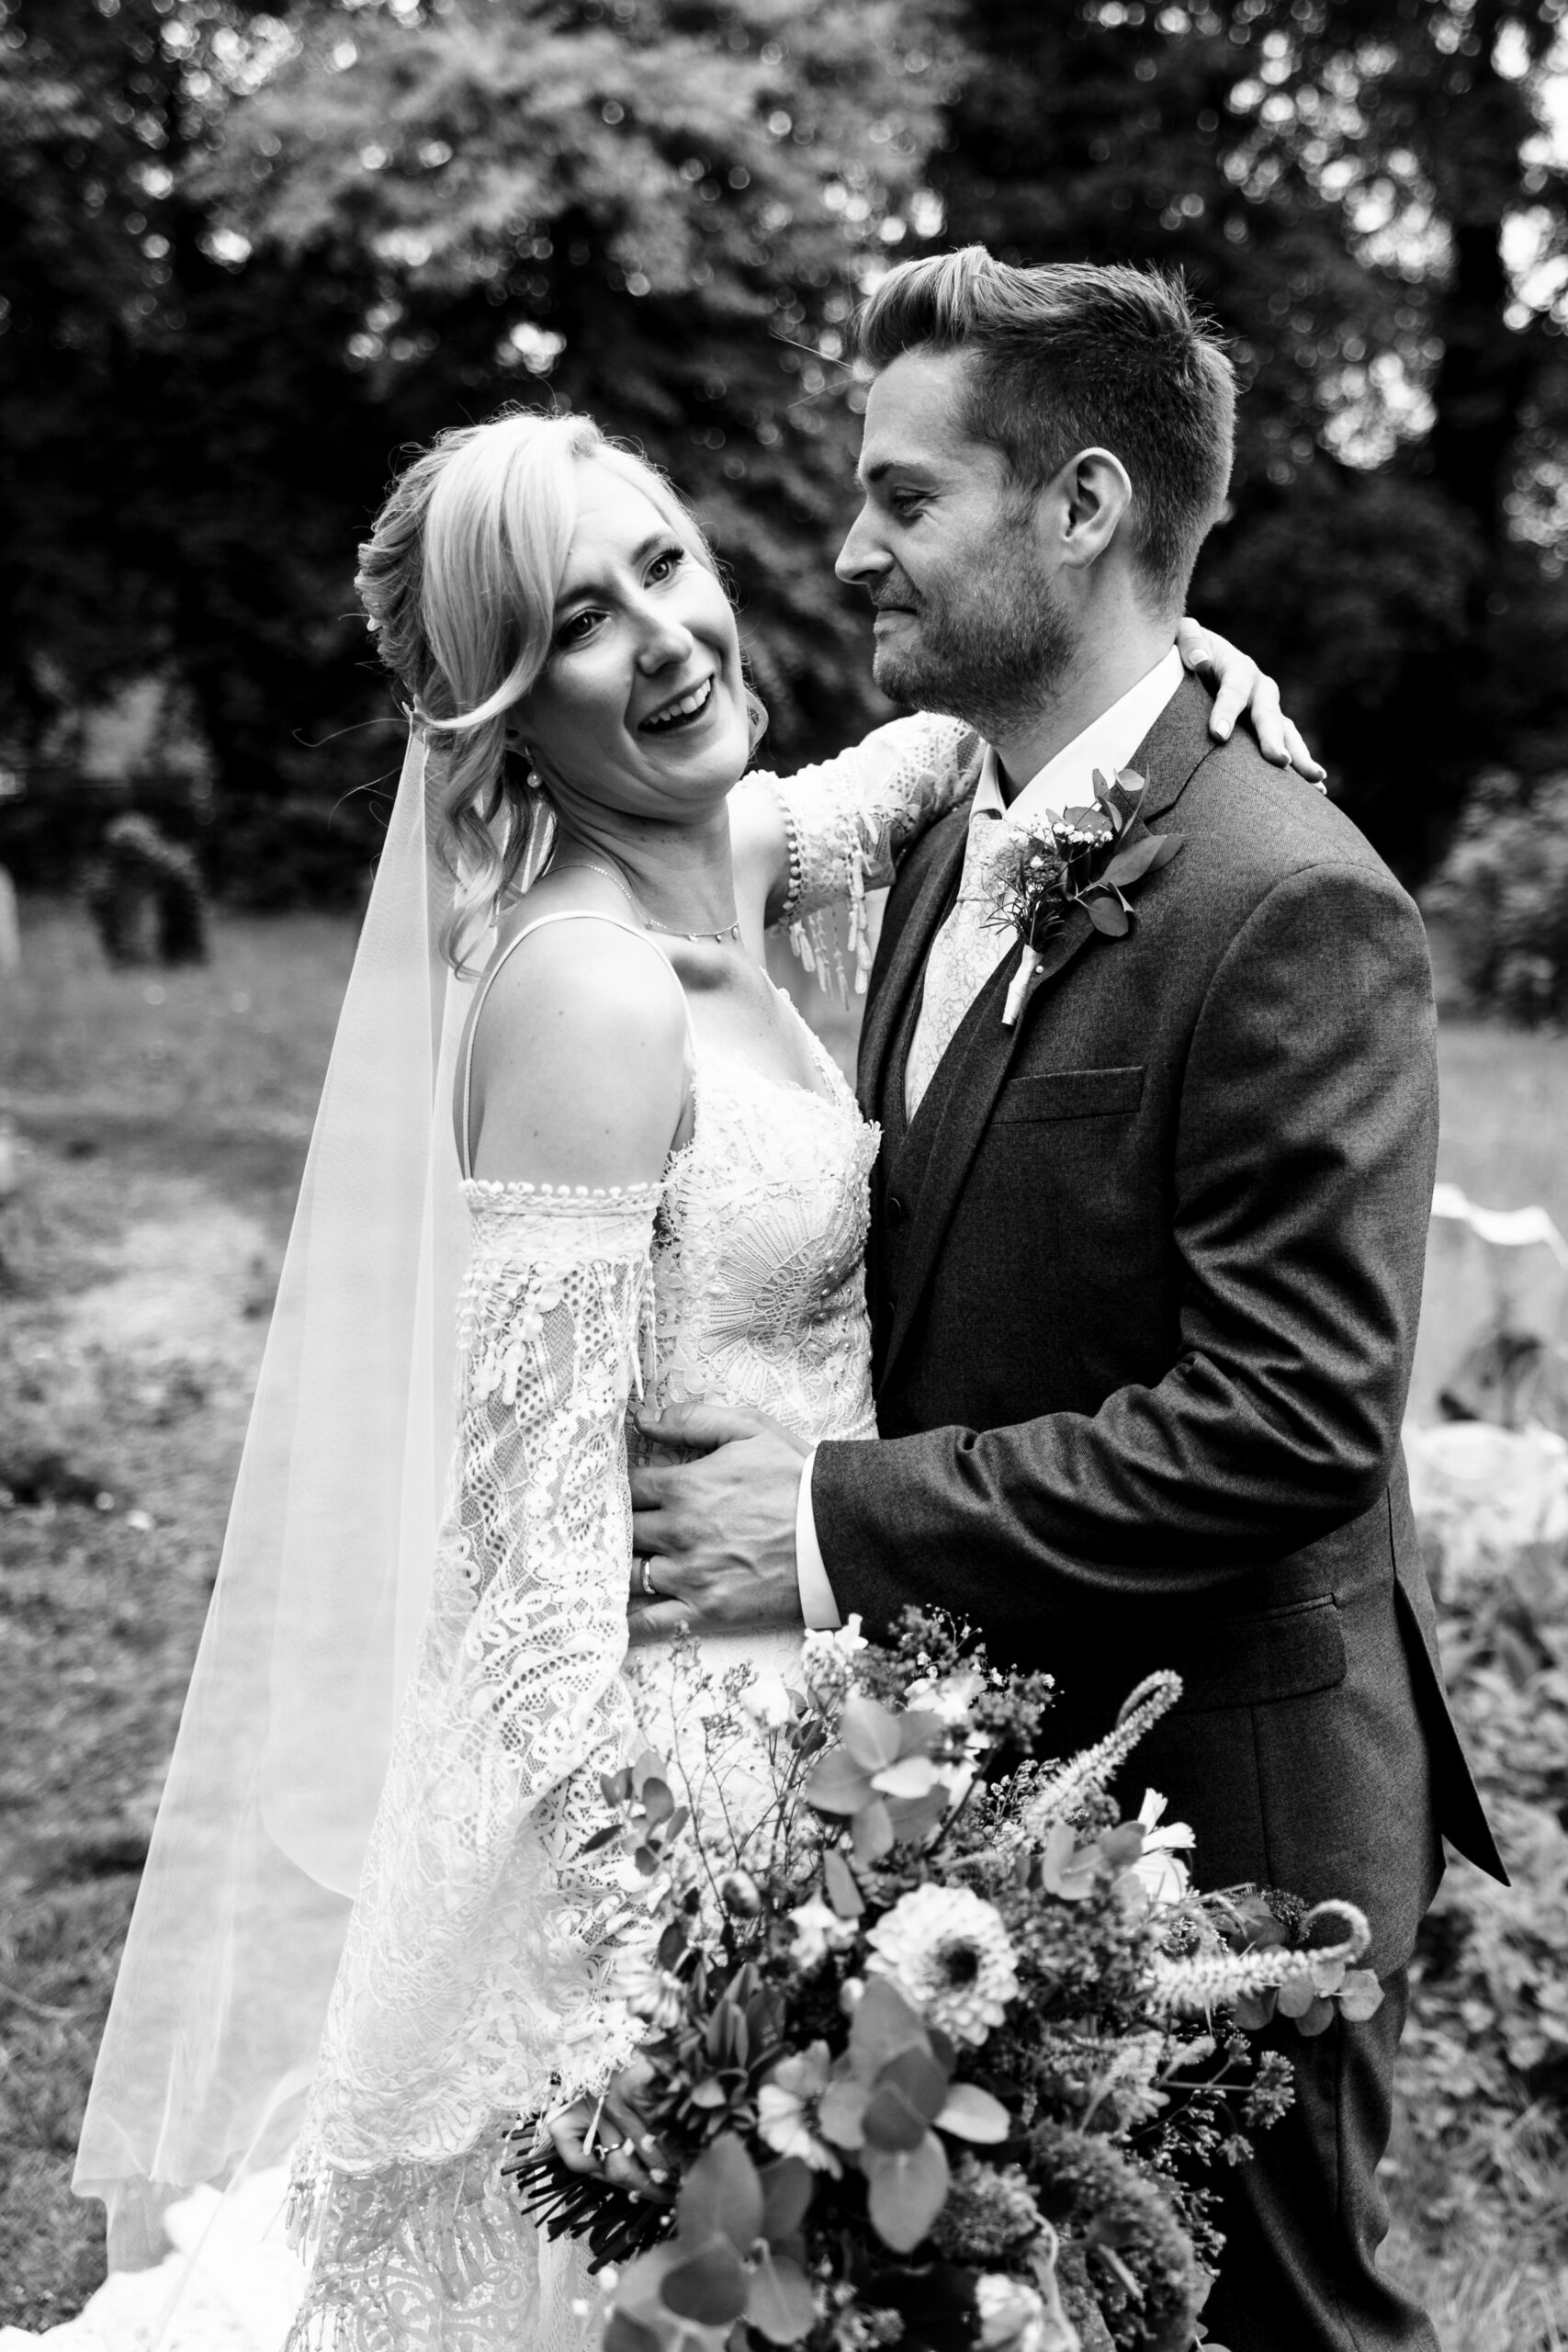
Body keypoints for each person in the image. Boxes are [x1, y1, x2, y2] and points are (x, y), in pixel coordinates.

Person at [65, 401, 1309, 2351]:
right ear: (489, 708)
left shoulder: (718, 853)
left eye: (661, 563)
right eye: (575, 619)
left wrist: (1167, 670)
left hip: (826, 1686)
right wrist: (682, 1960)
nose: (659, 634)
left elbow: (897, 773)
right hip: (667, 1796)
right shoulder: (579, 985)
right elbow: (526, 1553)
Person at [624, 251, 1507, 2352]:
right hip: (978, 1794)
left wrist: (830, 1514)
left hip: (1225, 1813)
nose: (844, 548)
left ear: (1085, 506)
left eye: (904, 499)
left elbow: (1287, 1424)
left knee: (1279, 2321)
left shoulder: (1287, 899)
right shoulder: (950, 811)